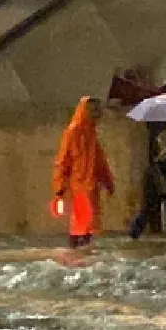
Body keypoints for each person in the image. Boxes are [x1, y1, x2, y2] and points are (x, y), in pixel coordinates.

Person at [52, 97, 115, 248]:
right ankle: (77, 255)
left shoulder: (91, 134)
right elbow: (63, 160)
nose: (96, 113)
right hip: (79, 187)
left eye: (97, 110)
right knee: (82, 224)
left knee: (88, 226)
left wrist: (108, 182)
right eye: (92, 110)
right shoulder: (73, 132)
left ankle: (81, 255)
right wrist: (59, 187)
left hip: (91, 187)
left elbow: (100, 162)